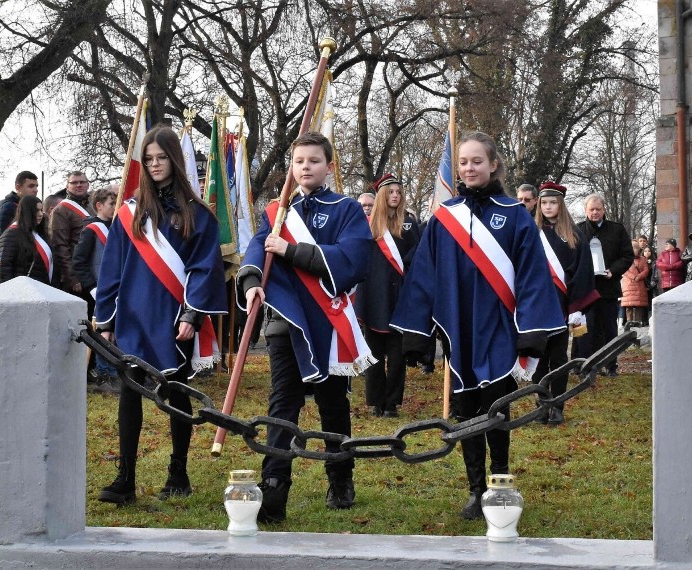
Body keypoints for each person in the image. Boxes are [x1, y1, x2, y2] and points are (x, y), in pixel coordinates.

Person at [391, 132, 564, 520]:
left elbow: (533, 275)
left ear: (493, 165)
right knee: (467, 410)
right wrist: (417, 334)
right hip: (459, 328)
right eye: (464, 162)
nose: (469, 168)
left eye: (477, 161)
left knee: (496, 407)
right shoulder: (444, 218)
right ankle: (474, 488)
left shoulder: (516, 215)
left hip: (501, 327)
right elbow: (423, 276)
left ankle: (500, 482)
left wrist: (531, 330)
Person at [239, 132, 373, 523]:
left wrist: (293, 250)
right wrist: (251, 283)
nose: (305, 168)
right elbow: (257, 248)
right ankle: (275, 484)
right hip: (286, 322)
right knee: (283, 402)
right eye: (299, 162)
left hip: (328, 324)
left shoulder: (346, 209)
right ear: (291, 168)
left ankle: (340, 478)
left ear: (328, 166)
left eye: (314, 161)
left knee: (333, 404)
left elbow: (353, 258)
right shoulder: (277, 211)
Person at [94, 126, 227, 505]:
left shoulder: (198, 214)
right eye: (149, 159)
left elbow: (204, 267)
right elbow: (112, 270)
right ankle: (125, 479)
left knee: (176, 393)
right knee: (129, 395)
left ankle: (178, 472)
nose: (154, 164)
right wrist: (105, 319)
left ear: (174, 159)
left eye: (161, 157)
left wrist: (192, 314)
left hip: (173, 319)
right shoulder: (128, 213)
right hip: (133, 317)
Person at [531, 181, 598, 425]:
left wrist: (577, 307)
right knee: (538, 357)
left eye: (553, 203)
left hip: (562, 302)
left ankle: (557, 406)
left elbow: (582, 272)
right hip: (536, 303)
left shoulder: (574, 235)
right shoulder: (531, 231)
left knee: (558, 357)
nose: (548, 207)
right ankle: (540, 405)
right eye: (544, 203)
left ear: (561, 205)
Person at [355, 173, 420, 418]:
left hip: (400, 297)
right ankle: (375, 401)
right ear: (383, 196)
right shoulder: (368, 226)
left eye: (399, 192)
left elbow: (418, 254)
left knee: (396, 357)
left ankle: (392, 403)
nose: (395, 196)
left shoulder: (409, 224)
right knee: (373, 355)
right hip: (373, 296)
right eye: (391, 192)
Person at [573, 194, 634, 377]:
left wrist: (613, 271)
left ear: (604, 209)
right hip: (585, 290)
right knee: (583, 328)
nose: (595, 213)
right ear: (585, 211)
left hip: (607, 288)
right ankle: (581, 364)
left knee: (609, 328)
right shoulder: (577, 231)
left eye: (598, 209)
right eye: (591, 209)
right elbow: (571, 258)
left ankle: (610, 365)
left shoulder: (617, 230)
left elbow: (627, 256)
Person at [73, 186, 120, 393]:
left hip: (116, 289)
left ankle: (115, 371)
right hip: (99, 289)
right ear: (99, 206)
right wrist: (91, 287)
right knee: (103, 332)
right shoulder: (91, 230)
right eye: (111, 204)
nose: (115, 207)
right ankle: (104, 375)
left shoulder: (115, 227)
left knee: (115, 332)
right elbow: (79, 262)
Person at [50, 171, 96, 298]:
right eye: (74, 183)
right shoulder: (61, 211)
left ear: (88, 184)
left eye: (82, 182)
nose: (79, 185)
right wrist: (72, 278)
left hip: (95, 270)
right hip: (78, 274)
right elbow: (60, 247)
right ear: (67, 186)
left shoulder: (94, 207)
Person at [0, 195, 54, 286]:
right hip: (21, 290)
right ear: (27, 212)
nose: (40, 214)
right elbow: (5, 268)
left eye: (41, 210)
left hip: (41, 288)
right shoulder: (11, 234)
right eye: (36, 211)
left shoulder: (39, 234)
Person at [0, 171, 39, 235]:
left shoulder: (35, 209)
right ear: (18, 187)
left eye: (36, 186)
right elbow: (3, 238)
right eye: (31, 186)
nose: (36, 190)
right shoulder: (8, 209)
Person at [621, 242, 649, 325]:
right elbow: (624, 270)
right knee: (628, 306)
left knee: (639, 305)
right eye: (633, 248)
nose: (635, 250)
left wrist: (639, 276)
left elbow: (646, 270)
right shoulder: (625, 258)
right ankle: (629, 322)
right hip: (629, 285)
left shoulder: (643, 259)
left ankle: (638, 322)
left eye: (636, 248)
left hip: (639, 285)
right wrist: (633, 277)